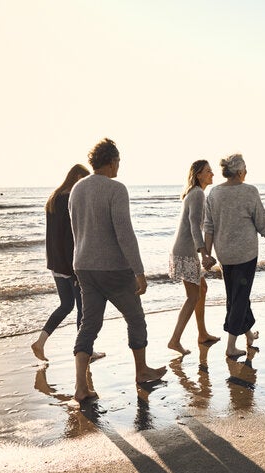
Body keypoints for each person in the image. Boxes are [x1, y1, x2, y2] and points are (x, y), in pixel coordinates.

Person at [69, 138, 166, 401]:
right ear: (112, 161)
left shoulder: (77, 189)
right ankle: (142, 370)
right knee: (135, 319)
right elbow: (125, 233)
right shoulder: (116, 189)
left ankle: (80, 386)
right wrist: (139, 271)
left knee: (89, 325)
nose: (119, 165)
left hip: (83, 266)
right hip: (113, 268)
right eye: (119, 161)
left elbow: (76, 229)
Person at [202, 153, 265, 358]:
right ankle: (231, 346)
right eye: (245, 169)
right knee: (239, 298)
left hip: (224, 254)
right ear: (240, 172)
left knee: (237, 295)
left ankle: (249, 334)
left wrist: (207, 254)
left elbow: (209, 227)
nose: (247, 172)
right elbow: (263, 225)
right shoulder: (249, 191)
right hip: (245, 254)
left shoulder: (214, 193)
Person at [31, 164, 108, 362]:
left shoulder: (53, 198)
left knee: (66, 305)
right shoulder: (68, 200)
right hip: (68, 265)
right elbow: (69, 238)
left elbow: (54, 237)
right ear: (78, 178)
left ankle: (40, 342)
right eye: (83, 181)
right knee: (84, 310)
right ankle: (84, 353)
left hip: (55, 264)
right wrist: (74, 270)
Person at [167, 159, 220, 355]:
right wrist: (204, 252)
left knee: (202, 289)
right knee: (193, 296)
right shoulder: (197, 194)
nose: (212, 174)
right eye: (208, 171)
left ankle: (202, 333)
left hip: (184, 249)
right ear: (198, 175)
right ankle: (174, 340)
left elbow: (197, 226)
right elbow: (193, 225)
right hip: (186, 251)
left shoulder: (195, 193)